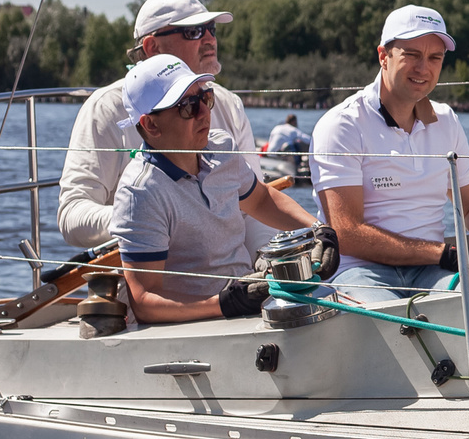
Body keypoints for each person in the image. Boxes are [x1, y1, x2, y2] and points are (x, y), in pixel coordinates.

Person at [311, 6, 469, 297]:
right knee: (391, 321)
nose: (423, 68)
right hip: (359, 272)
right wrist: (445, 254)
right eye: (412, 55)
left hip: (431, 270)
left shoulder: (446, 121)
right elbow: (347, 234)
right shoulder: (342, 125)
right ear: (383, 57)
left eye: (434, 58)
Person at [111, 56, 319, 324]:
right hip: (196, 330)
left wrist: (319, 230)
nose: (204, 112)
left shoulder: (220, 149)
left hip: (246, 310)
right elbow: (144, 302)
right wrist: (224, 304)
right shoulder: (140, 192)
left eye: (205, 98)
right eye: (187, 106)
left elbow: (262, 201)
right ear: (150, 124)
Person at [59, 0, 258, 251]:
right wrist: (148, 215)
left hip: (235, 279)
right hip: (145, 279)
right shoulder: (106, 108)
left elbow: (255, 205)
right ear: (153, 47)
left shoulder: (227, 104)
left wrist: (271, 273)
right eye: (194, 32)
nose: (209, 39)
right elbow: (72, 216)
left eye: (211, 29)